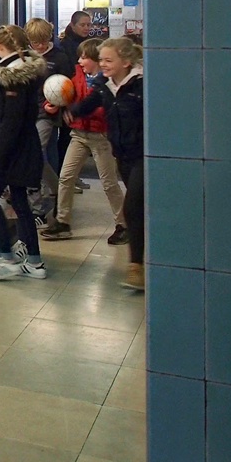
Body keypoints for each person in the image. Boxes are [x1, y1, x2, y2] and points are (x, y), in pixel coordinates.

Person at [69, 37, 144, 290]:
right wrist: (67, 109)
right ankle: (142, 259)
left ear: (126, 62)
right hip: (122, 154)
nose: (103, 64)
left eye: (108, 60)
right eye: (101, 60)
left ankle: (136, 266)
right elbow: (86, 105)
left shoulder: (141, 85)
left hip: (143, 155)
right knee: (138, 208)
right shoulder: (104, 85)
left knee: (132, 206)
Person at [40, 39, 129, 243]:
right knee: (66, 177)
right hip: (79, 134)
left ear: (96, 60)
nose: (79, 61)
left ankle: (123, 224)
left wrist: (79, 111)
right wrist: (52, 104)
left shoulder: (107, 82)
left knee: (109, 183)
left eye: (84, 57)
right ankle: (62, 222)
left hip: (101, 137)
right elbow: (64, 93)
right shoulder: (77, 76)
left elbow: (104, 108)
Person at [0, 25, 48, 281]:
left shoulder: (12, 78)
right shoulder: (27, 69)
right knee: (19, 202)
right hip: (26, 145)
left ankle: (7, 257)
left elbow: (10, 122)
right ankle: (34, 261)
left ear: (0, 47)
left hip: (14, 149)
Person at [25, 17, 72, 221]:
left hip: (47, 113)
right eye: (36, 42)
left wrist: (60, 104)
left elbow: (68, 85)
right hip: (27, 112)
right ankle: (57, 189)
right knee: (32, 155)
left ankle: (40, 205)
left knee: (35, 152)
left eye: (44, 41)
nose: (40, 46)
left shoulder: (59, 58)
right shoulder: (24, 56)